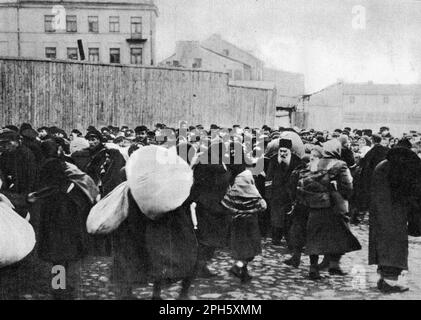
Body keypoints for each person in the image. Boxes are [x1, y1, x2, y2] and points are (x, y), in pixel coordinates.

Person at [27, 139, 99, 299]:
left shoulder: (49, 164)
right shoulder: (59, 164)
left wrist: (37, 195)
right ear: (57, 149)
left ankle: (59, 286)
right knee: (62, 253)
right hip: (64, 213)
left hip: (55, 213)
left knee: (57, 253)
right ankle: (60, 286)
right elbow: (60, 186)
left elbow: (53, 186)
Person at [298, 139, 361, 280]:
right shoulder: (340, 165)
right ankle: (334, 266)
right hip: (335, 206)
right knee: (339, 234)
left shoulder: (314, 163)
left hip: (315, 205)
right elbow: (348, 187)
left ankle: (313, 268)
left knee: (314, 236)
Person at [369, 145, 421, 293]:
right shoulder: (398, 170)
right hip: (395, 215)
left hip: (379, 213)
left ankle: (383, 279)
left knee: (383, 246)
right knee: (394, 247)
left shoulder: (383, 166)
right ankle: (389, 283)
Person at [221, 142, 266, 283]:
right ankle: (242, 270)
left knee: (243, 247)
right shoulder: (247, 175)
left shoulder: (228, 170)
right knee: (249, 248)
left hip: (237, 216)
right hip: (248, 218)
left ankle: (239, 267)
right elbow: (261, 203)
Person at [265, 138, 303, 245]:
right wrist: (268, 193)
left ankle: (289, 239)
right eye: (280, 151)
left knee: (289, 217)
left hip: (290, 194)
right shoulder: (273, 160)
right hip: (276, 194)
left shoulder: (296, 161)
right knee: (276, 217)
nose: (282, 153)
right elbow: (268, 178)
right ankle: (276, 238)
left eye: (285, 151)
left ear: (290, 151)